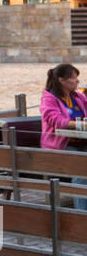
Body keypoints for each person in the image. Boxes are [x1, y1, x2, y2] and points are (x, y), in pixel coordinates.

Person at [40, 64, 87, 212]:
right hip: (60, 144)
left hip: (81, 141)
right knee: (82, 167)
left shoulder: (78, 96)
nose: (77, 81)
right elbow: (56, 121)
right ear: (62, 80)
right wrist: (80, 124)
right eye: (74, 78)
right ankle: (81, 215)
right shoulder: (49, 98)